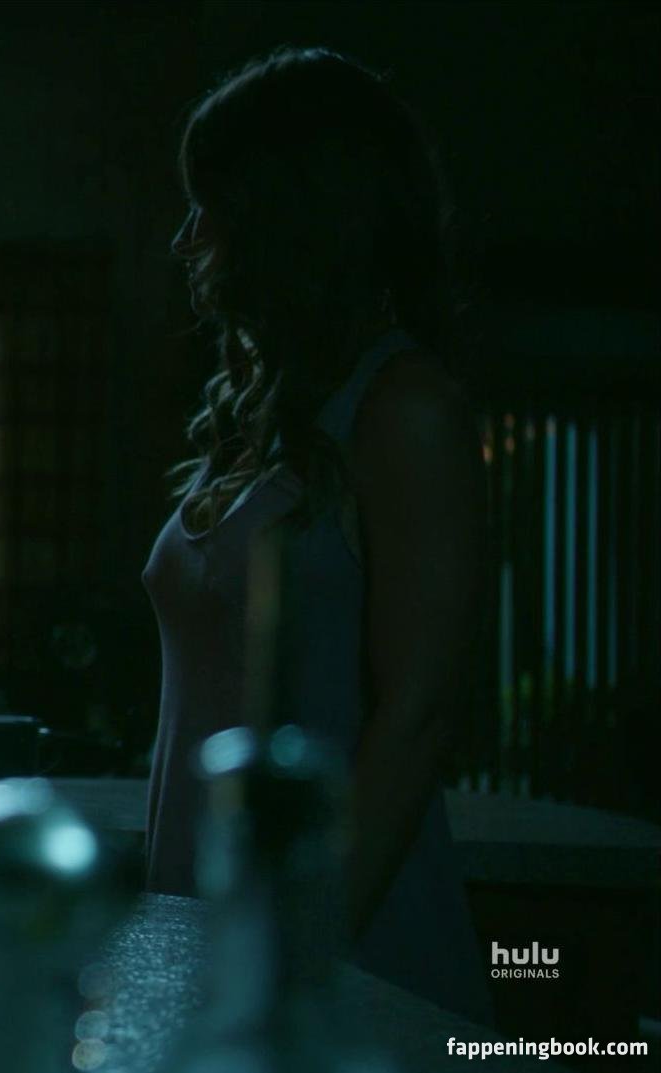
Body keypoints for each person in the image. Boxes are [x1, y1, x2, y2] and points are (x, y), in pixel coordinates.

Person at [142, 46, 492, 1023]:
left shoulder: (402, 409)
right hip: (206, 934)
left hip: (340, 954)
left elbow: (416, 719)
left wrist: (288, 958)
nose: (185, 238)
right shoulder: (264, 415)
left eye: (209, 205)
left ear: (284, 214)